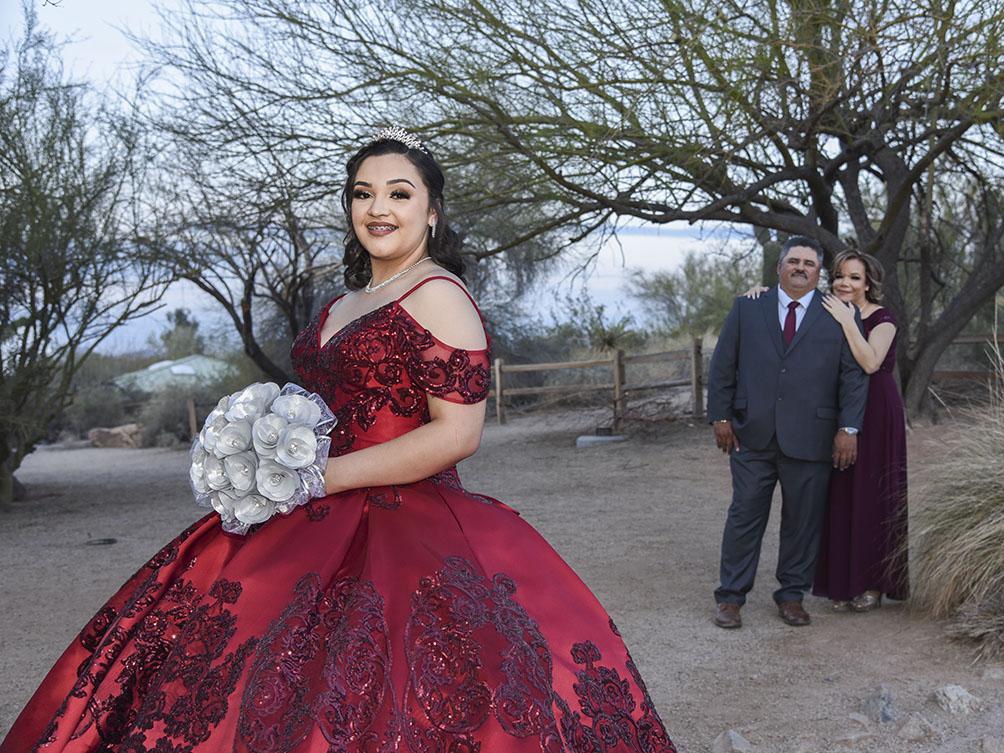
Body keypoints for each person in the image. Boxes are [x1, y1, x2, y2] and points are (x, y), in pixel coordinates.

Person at [1, 129, 677, 753]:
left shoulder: (440, 292)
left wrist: (319, 477)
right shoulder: (343, 301)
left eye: (399, 193)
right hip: (308, 506)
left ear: (433, 211)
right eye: (363, 193)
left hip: (400, 520)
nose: (377, 207)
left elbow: (458, 432)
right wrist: (265, 451)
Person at [707, 236, 868, 629]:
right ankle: (731, 598)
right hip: (752, 434)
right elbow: (723, 364)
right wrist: (720, 417)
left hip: (813, 436)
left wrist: (848, 428)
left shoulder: (840, 312)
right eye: (793, 261)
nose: (800, 267)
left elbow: (853, 376)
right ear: (779, 267)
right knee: (744, 515)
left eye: (809, 263)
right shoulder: (748, 307)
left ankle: (792, 595)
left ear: (818, 273)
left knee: (803, 521)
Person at [813, 250, 908, 612]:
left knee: (875, 494)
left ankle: (875, 583)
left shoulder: (883, 319)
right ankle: (842, 580)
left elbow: (871, 362)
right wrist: (758, 294)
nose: (844, 283)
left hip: (878, 411)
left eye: (854, 277)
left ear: (868, 284)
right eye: (839, 276)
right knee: (840, 492)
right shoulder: (827, 310)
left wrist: (849, 320)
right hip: (837, 408)